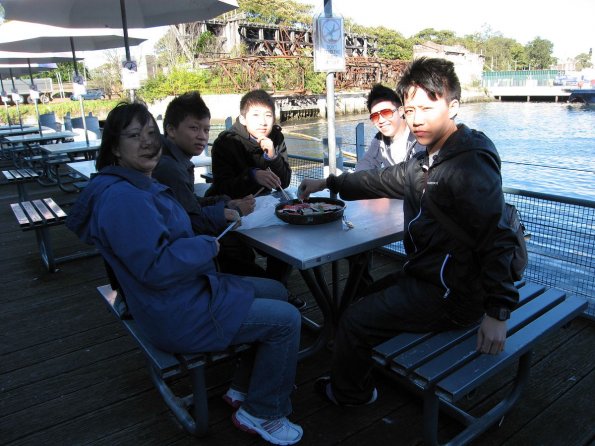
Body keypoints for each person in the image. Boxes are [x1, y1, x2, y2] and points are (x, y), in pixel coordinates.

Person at [66, 102, 303, 444]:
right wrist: (204, 246)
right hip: (176, 312)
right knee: (286, 320)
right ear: (115, 147)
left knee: (276, 291)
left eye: (150, 133)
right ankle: (264, 411)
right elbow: (155, 267)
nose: (148, 142)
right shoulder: (124, 199)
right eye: (134, 136)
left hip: (184, 294)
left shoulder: (136, 187)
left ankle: (241, 388)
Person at [298, 57, 520, 407]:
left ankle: (350, 394)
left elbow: (497, 236)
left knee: (355, 320)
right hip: (429, 279)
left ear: (453, 107)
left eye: (427, 107)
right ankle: (356, 372)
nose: (416, 118)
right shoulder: (425, 161)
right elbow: (377, 179)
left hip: (455, 296)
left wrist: (498, 313)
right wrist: (329, 181)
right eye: (410, 109)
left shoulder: (468, 162)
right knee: (357, 300)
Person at [207, 89, 296, 290]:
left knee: (287, 238)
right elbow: (222, 186)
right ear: (243, 118)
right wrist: (252, 175)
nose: (263, 122)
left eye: (268, 115)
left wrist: (273, 156)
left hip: (265, 208)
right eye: (255, 115)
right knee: (238, 256)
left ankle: (278, 287)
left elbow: (286, 181)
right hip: (232, 209)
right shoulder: (226, 142)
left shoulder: (276, 138)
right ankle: (265, 292)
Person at [355, 83, 423, 172]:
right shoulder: (380, 140)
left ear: (401, 111)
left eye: (386, 113)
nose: (381, 121)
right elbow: (366, 162)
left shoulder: (420, 137)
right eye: (375, 116)